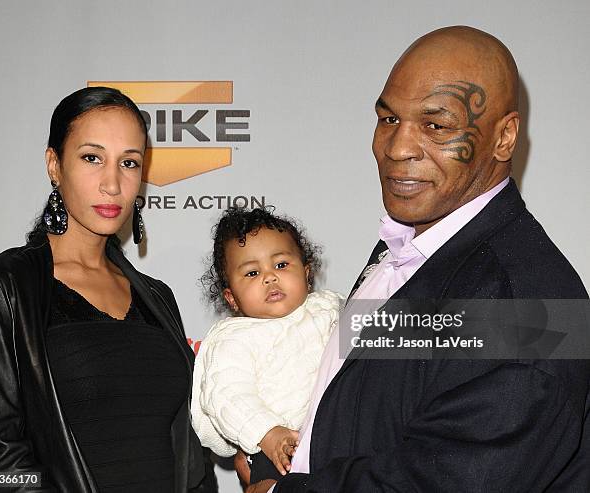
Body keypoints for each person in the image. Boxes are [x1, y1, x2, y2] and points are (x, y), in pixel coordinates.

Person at [240, 26, 590, 492]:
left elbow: (451, 481)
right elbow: (361, 401)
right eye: (388, 120)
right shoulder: (407, 246)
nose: (397, 148)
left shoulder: (522, 299)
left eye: (436, 125)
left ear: (504, 138)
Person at [0, 87, 216, 492]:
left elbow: (188, 453)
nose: (112, 183)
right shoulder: (2, 289)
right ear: (55, 165)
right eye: (92, 158)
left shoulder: (157, 298)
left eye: (129, 162)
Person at [191, 207, 342, 484]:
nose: (269, 277)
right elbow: (227, 397)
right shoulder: (233, 339)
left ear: (307, 274)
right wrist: (269, 433)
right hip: (276, 453)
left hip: (339, 441)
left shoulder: (330, 308)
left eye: (281, 265)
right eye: (251, 273)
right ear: (231, 298)